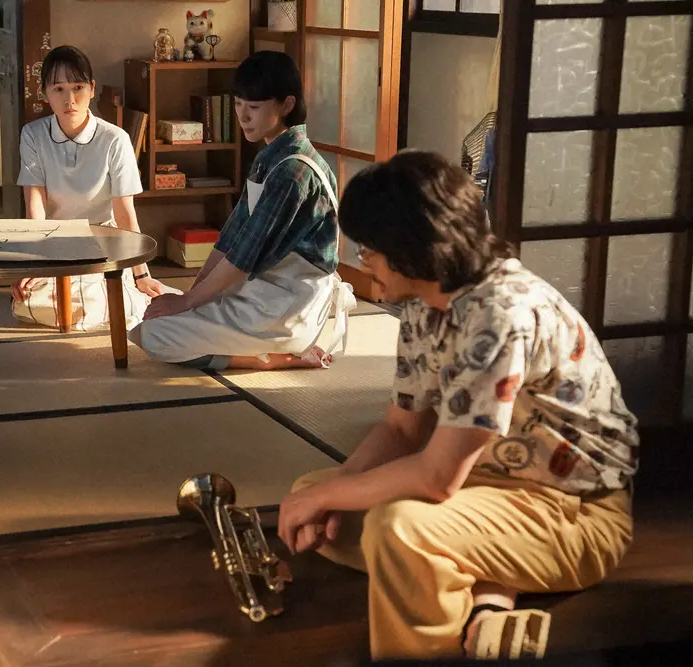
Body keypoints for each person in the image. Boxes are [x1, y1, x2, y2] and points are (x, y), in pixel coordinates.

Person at [278, 150, 638, 661]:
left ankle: (435, 638)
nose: (362, 260)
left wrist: (338, 494)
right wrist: (329, 494)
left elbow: (436, 479)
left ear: (411, 247)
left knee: (396, 529)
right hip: (486, 488)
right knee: (311, 495)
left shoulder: (500, 313)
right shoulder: (424, 304)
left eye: (369, 248)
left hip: (572, 511)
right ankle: (488, 602)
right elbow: (401, 430)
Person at [127, 51, 355, 371]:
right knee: (148, 310)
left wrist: (189, 302)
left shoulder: (294, 173)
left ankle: (272, 360)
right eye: (237, 104)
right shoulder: (268, 158)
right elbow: (230, 239)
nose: (243, 116)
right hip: (260, 295)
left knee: (153, 335)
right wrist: (191, 298)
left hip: (284, 309)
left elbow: (243, 257)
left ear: (286, 105)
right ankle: (262, 348)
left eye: (255, 107)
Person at [10, 45, 171, 331]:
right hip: (53, 242)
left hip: (104, 241)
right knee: (30, 302)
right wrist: (33, 264)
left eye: (78, 87)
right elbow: (35, 209)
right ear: (45, 92)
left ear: (92, 89)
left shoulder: (115, 139)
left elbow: (125, 213)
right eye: (58, 89)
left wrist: (140, 274)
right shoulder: (33, 135)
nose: (69, 99)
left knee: (111, 304)